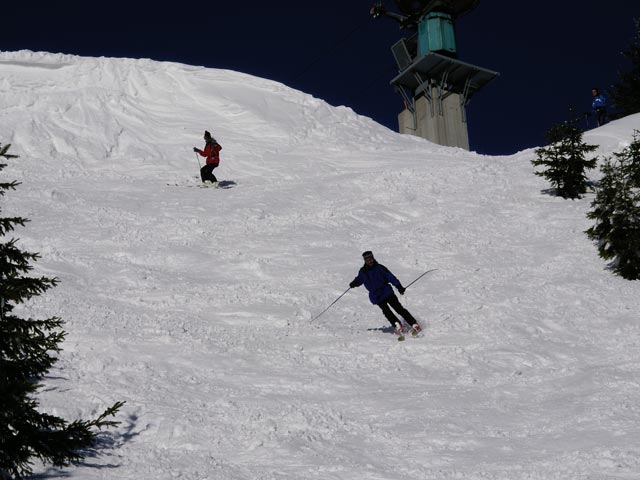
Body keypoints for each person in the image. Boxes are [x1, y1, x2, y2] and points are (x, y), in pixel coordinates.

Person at [349, 251, 421, 337]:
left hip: (387, 292)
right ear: (365, 260)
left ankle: (413, 323)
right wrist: (354, 283)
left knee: (398, 308)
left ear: (373, 258)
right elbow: (359, 279)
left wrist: (399, 286)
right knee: (386, 311)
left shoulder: (380, 268)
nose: (370, 261)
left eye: (371, 259)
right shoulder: (363, 272)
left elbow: (390, 277)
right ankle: (397, 324)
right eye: (367, 260)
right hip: (377, 296)